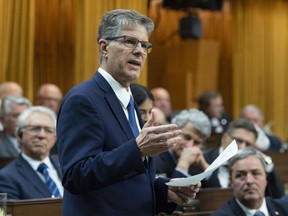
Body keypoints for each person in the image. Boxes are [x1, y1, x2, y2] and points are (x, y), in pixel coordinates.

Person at [57, 9, 200, 216]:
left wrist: (164, 190)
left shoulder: (129, 99)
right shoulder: (83, 99)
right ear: (104, 47)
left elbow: (129, 179)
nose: (139, 51)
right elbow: (76, 175)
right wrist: (138, 149)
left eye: (144, 45)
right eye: (129, 42)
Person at [203, 119, 285, 198]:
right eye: (238, 141)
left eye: (248, 144)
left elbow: (278, 196)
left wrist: (269, 165)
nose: (242, 147)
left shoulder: (253, 165)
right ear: (224, 138)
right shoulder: (204, 159)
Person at [0, 106, 63, 199]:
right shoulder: (6, 177)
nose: (41, 135)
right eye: (35, 128)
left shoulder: (65, 165)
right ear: (19, 135)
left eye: (48, 130)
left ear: (55, 138)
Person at [212, 148, 288, 216]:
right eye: (240, 176)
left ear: (266, 178)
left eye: (255, 173)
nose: (249, 181)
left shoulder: (284, 208)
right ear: (231, 181)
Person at [155, 109, 211, 178]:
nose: (189, 145)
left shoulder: (200, 158)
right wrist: (184, 164)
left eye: (197, 142)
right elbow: (169, 188)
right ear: (173, 131)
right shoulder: (155, 157)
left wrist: (205, 167)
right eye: (187, 137)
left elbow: (219, 188)